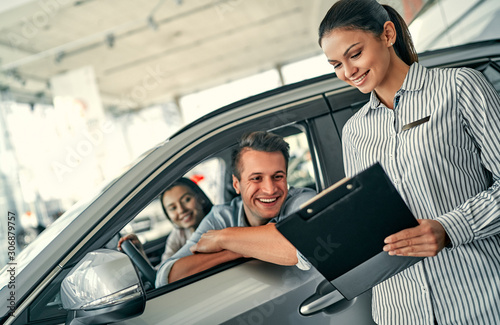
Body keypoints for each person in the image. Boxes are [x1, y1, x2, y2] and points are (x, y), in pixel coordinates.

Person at [318, 0, 500, 324]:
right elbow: (369, 221)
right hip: (399, 311)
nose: (348, 72)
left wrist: (449, 228)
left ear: (387, 34)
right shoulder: (354, 132)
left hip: (478, 301)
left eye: (355, 54)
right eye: (335, 64)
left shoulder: (458, 88)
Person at [156, 131, 316, 286]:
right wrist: (236, 250)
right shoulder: (220, 217)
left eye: (278, 176)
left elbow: (300, 248)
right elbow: (166, 277)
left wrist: (225, 238)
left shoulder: (303, 200)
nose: (270, 189)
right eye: (256, 178)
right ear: (236, 184)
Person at [118, 177, 212, 265]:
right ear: (168, 215)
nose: (181, 210)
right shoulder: (178, 234)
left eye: (186, 200)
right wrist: (139, 252)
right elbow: (163, 271)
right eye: (173, 208)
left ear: (201, 198)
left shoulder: (219, 220)